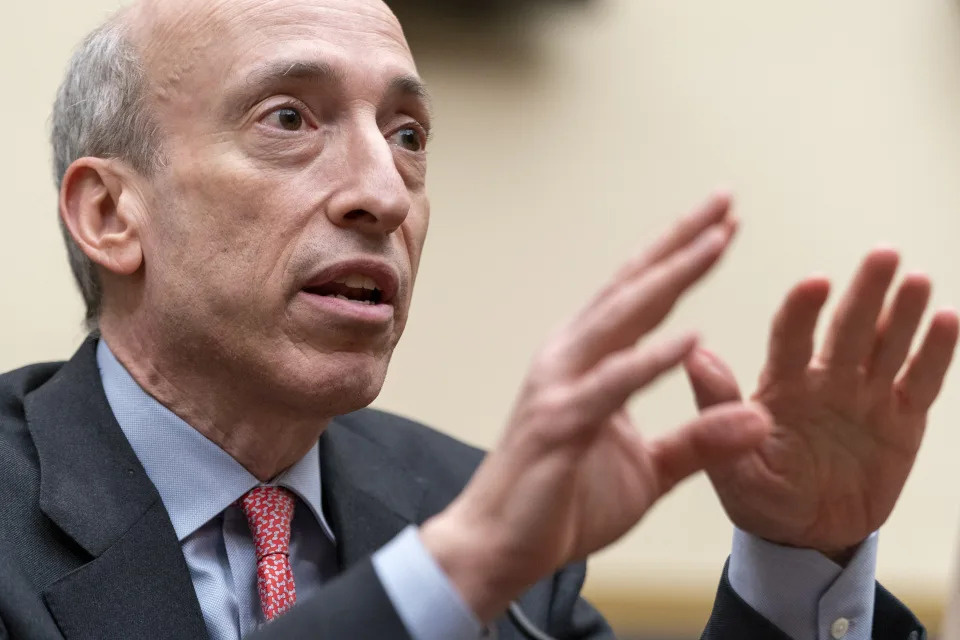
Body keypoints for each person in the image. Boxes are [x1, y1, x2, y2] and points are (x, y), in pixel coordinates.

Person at [0, 0, 956, 638]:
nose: (383, 191)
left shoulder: (465, 498)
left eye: (407, 136)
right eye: (289, 119)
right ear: (110, 215)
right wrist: (448, 575)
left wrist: (796, 569)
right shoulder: (479, 535)